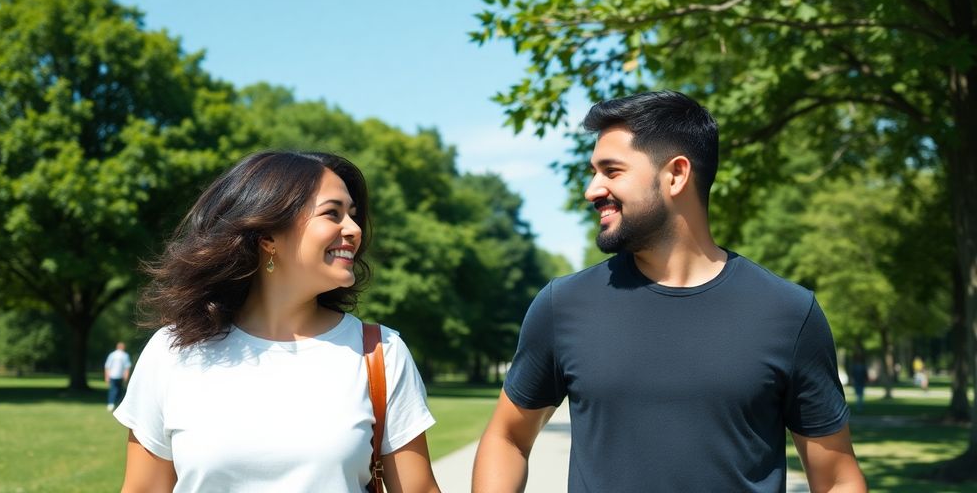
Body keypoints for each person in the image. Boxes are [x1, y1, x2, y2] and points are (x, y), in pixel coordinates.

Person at [473, 91, 867, 492]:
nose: (592, 190)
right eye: (594, 172)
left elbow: (837, 479)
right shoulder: (563, 305)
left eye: (611, 171)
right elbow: (507, 438)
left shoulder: (788, 312)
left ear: (676, 174)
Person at [114, 151, 440, 492]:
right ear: (268, 236)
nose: (354, 230)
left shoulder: (380, 353)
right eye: (332, 213)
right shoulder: (173, 351)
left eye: (353, 215)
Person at [105, 341, 131, 411]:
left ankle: (111, 404)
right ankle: (116, 404)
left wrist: (107, 376)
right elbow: (127, 367)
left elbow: (107, 366)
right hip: (120, 376)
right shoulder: (125, 355)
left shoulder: (112, 355)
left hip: (112, 375)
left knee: (113, 389)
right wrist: (126, 377)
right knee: (118, 390)